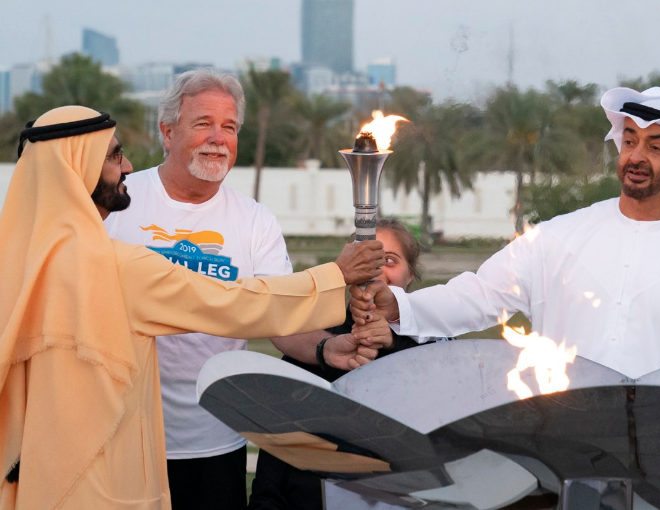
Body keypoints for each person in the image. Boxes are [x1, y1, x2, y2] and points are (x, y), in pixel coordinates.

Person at [349, 87, 660, 510]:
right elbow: (480, 294)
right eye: (630, 140)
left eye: (656, 146)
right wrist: (399, 306)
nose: (636, 156)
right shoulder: (561, 236)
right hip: (565, 460)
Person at [0, 105, 384, 510]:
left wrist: (322, 345)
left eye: (230, 126)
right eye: (113, 156)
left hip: (29, 473)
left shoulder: (17, 259)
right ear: (77, 169)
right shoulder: (116, 265)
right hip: (94, 476)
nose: (127, 165)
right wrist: (336, 275)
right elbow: (232, 303)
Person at [104, 68, 370, 509]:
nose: (217, 137)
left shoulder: (254, 221)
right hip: (124, 436)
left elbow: (278, 315)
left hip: (216, 439)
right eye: (203, 123)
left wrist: (329, 349)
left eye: (229, 127)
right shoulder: (118, 202)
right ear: (167, 132)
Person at [248, 218, 436, 510]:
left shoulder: (433, 350)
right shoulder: (314, 347)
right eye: (366, 260)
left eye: (389, 260)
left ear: (410, 274)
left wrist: (394, 342)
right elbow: (276, 458)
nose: (376, 271)